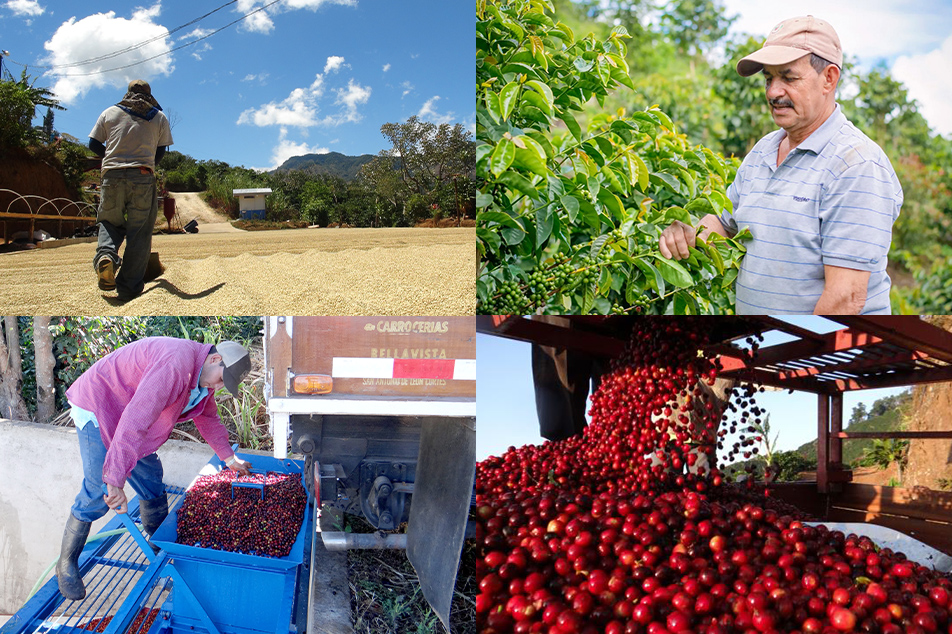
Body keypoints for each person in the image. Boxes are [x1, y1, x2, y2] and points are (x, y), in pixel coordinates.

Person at [658, 16, 902, 315]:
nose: (773, 92)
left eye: (788, 78)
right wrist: (688, 234)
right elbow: (725, 223)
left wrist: (797, 358)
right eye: (768, 79)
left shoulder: (856, 165)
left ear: (829, 78)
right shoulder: (764, 149)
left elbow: (845, 299)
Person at [55, 338, 253, 601]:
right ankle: (66, 564)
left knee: (150, 478)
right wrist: (114, 478)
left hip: (128, 410)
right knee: (97, 489)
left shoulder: (201, 376)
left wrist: (230, 459)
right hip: (100, 402)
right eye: (221, 379)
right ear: (216, 359)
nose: (219, 386)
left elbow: (207, 417)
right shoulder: (176, 364)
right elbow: (136, 420)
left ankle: (157, 541)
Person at [88, 80, 173, 301]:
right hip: (143, 177)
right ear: (149, 95)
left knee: (109, 222)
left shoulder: (109, 113)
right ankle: (128, 288)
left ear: (127, 93)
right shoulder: (159, 117)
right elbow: (161, 152)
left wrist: (112, 156)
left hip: (112, 177)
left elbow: (93, 144)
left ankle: (106, 257)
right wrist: (146, 166)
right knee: (140, 233)